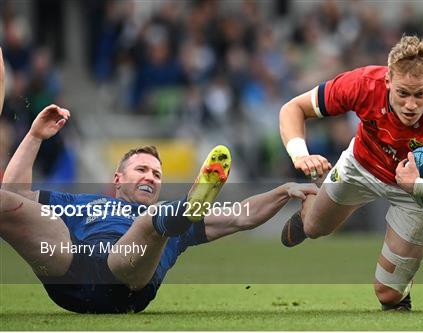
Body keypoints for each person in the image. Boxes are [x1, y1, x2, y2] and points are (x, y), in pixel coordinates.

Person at [0, 101, 318, 313]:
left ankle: (181, 212)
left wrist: (284, 191)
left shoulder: (164, 216)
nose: (150, 178)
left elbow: (241, 216)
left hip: (126, 282)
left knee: (152, 220)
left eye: (157, 174)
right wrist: (34, 135)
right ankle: (182, 209)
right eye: (142, 170)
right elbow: (16, 196)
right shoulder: (80, 202)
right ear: (117, 177)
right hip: (68, 269)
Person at [279, 35, 423, 311]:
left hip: (416, 192)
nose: (411, 105)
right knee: (314, 227)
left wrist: (420, 186)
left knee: (388, 294)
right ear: (388, 80)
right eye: (402, 93)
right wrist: (300, 154)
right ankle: (310, 207)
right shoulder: (363, 84)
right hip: (361, 165)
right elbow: (293, 108)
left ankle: (400, 285)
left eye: (420, 94)